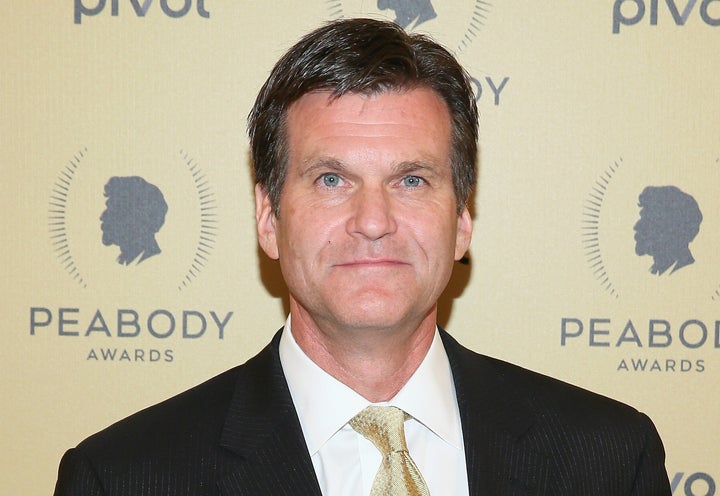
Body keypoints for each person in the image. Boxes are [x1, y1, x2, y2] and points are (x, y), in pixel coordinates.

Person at [54, 18, 671, 495]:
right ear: (269, 219)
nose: (373, 222)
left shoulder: (610, 459)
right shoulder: (124, 477)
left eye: (412, 180)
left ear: (461, 221)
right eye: (330, 180)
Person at [634, 185, 702, 275]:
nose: (636, 227)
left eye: (648, 220)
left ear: (672, 229)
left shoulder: (689, 274)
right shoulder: (657, 270)